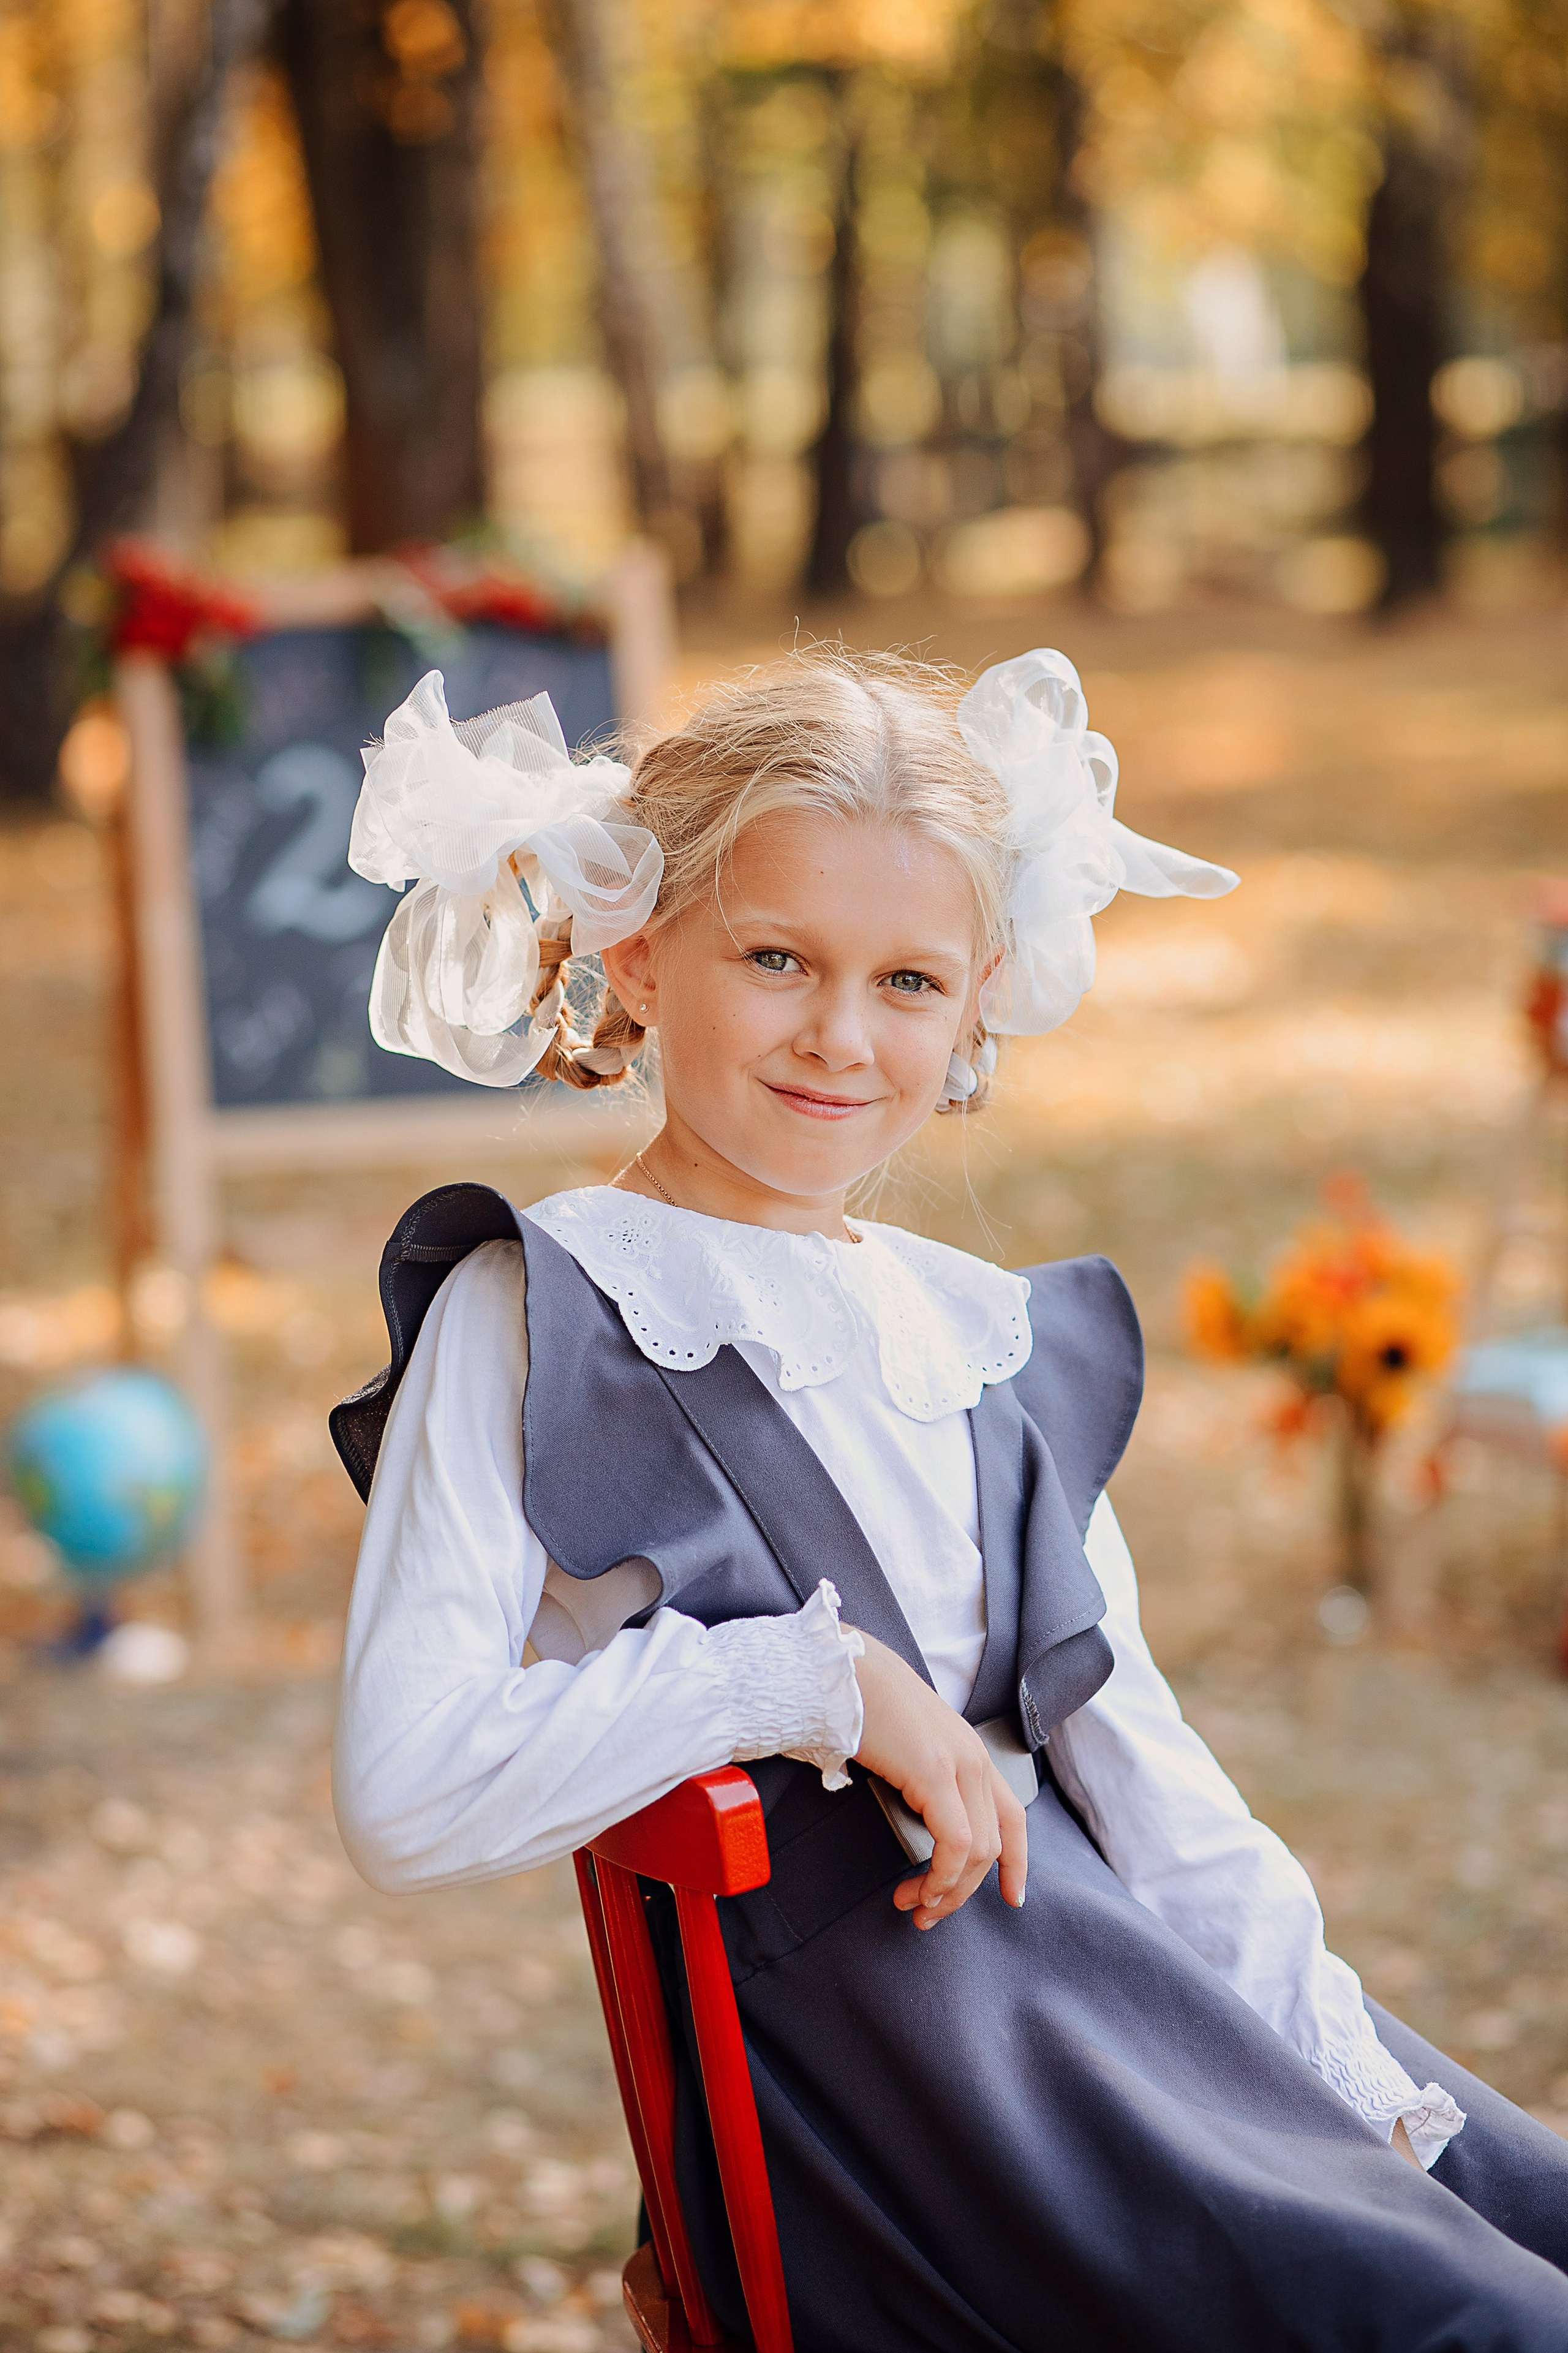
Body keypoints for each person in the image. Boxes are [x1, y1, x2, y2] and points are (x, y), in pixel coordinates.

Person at [331, 648, 1568, 2352]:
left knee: (1523, 2230)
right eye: (776, 958)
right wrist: (812, 1678)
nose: (843, 1034)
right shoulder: (543, 1310)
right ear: (635, 945)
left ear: (980, 996)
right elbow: (408, 1786)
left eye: (908, 978)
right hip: (921, 2120)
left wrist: (1353, 2075)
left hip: (1135, 2024)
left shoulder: (981, 1337)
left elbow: (1155, 1786)